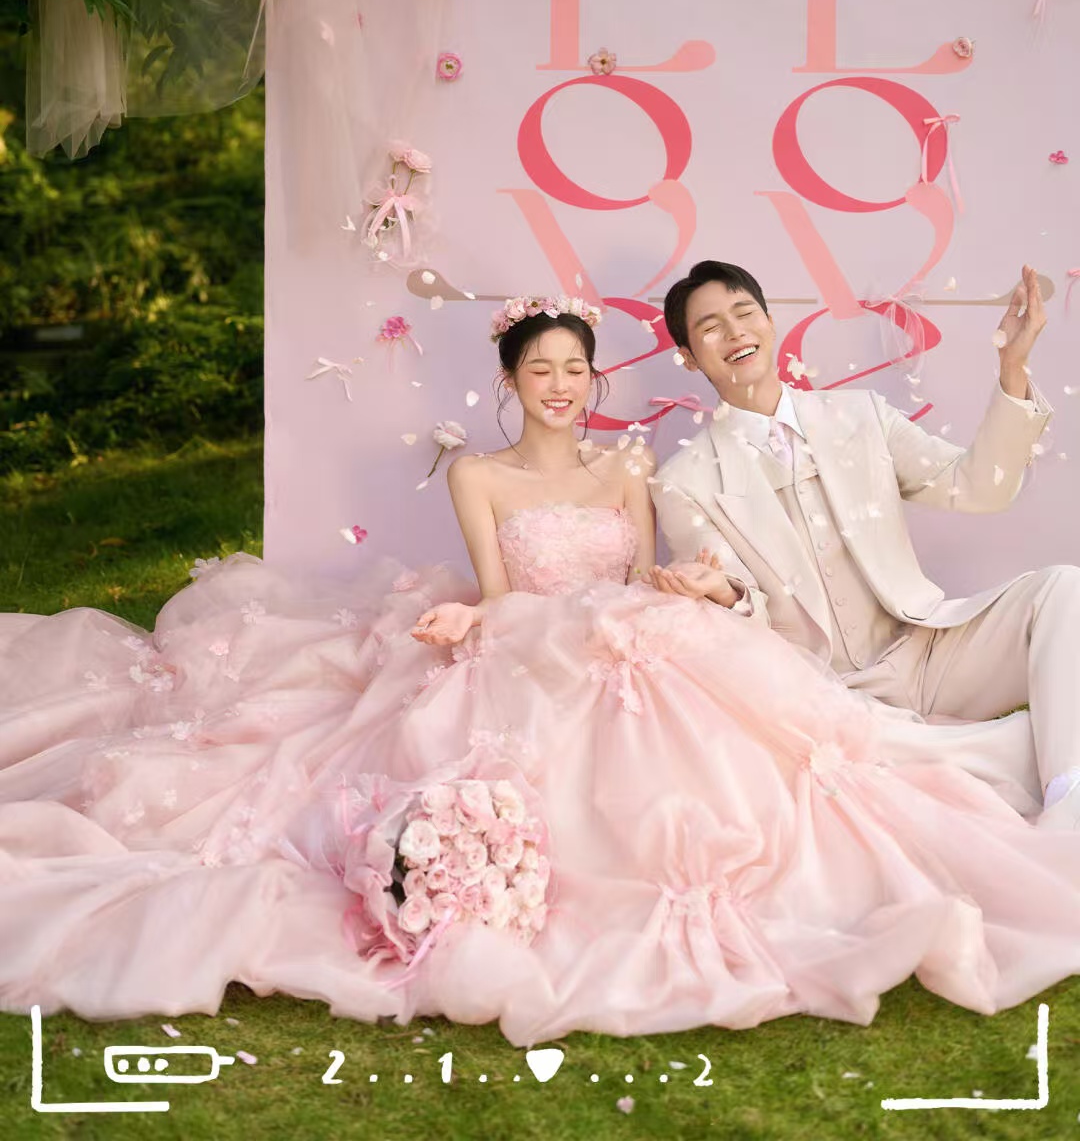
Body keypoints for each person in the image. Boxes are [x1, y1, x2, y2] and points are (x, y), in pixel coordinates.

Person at [2, 294, 1080, 1048]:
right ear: (511, 382)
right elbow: (498, 585)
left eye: (576, 371)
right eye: (541, 372)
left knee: (696, 718)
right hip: (533, 639)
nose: (561, 387)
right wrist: (472, 616)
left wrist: (684, 589)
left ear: (595, 380)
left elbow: (648, 571)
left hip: (636, 625)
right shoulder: (479, 476)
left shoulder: (634, 467)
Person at [652, 260, 1080, 829]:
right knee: (829, 743)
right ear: (687, 356)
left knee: (1063, 589)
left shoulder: (861, 415)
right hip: (829, 689)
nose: (734, 332)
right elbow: (743, 614)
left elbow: (980, 487)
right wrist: (724, 593)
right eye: (710, 327)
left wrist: (1013, 366)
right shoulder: (682, 481)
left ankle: (1067, 800)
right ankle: (1023, 749)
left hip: (929, 650)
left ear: (770, 322)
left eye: (744, 312)